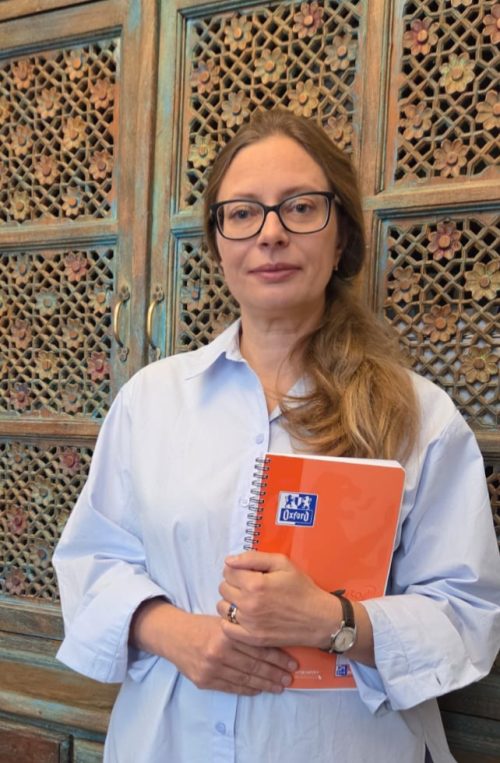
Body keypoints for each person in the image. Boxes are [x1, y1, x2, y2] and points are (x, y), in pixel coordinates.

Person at [53, 109, 500, 763]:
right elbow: (93, 560)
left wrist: (335, 621)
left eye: (300, 207)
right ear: (218, 244)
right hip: (169, 741)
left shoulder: (419, 417)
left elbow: (467, 612)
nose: (270, 234)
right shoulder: (151, 402)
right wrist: (171, 631)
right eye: (243, 213)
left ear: (342, 236)